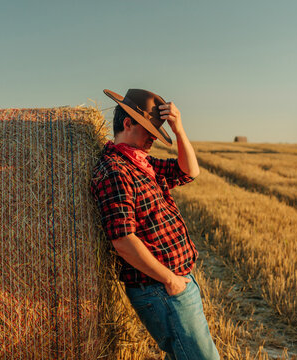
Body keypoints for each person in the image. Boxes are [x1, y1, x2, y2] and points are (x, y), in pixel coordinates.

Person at [91, 88, 220, 360]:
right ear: (127, 123)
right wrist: (170, 280)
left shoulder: (141, 162)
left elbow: (189, 171)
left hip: (175, 284)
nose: (153, 137)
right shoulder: (115, 170)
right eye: (149, 129)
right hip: (160, 288)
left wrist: (179, 129)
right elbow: (123, 240)